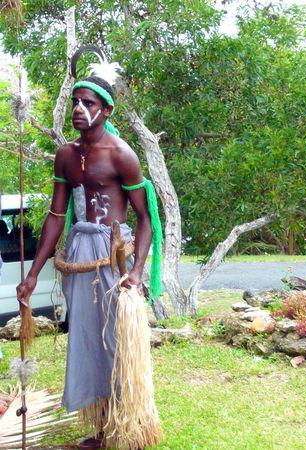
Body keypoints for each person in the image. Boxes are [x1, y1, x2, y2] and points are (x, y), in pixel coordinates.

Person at [16, 74, 156, 447]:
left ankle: (132, 427)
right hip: (80, 251)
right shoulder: (66, 155)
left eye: (88, 103)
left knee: (118, 339)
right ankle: (103, 427)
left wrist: (137, 272)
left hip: (115, 257)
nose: (78, 109)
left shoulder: (121, 154)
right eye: (76, 102)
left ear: (106, 110)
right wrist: (32, 275)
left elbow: (145, 219)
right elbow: (57, 216)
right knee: (87, 338)